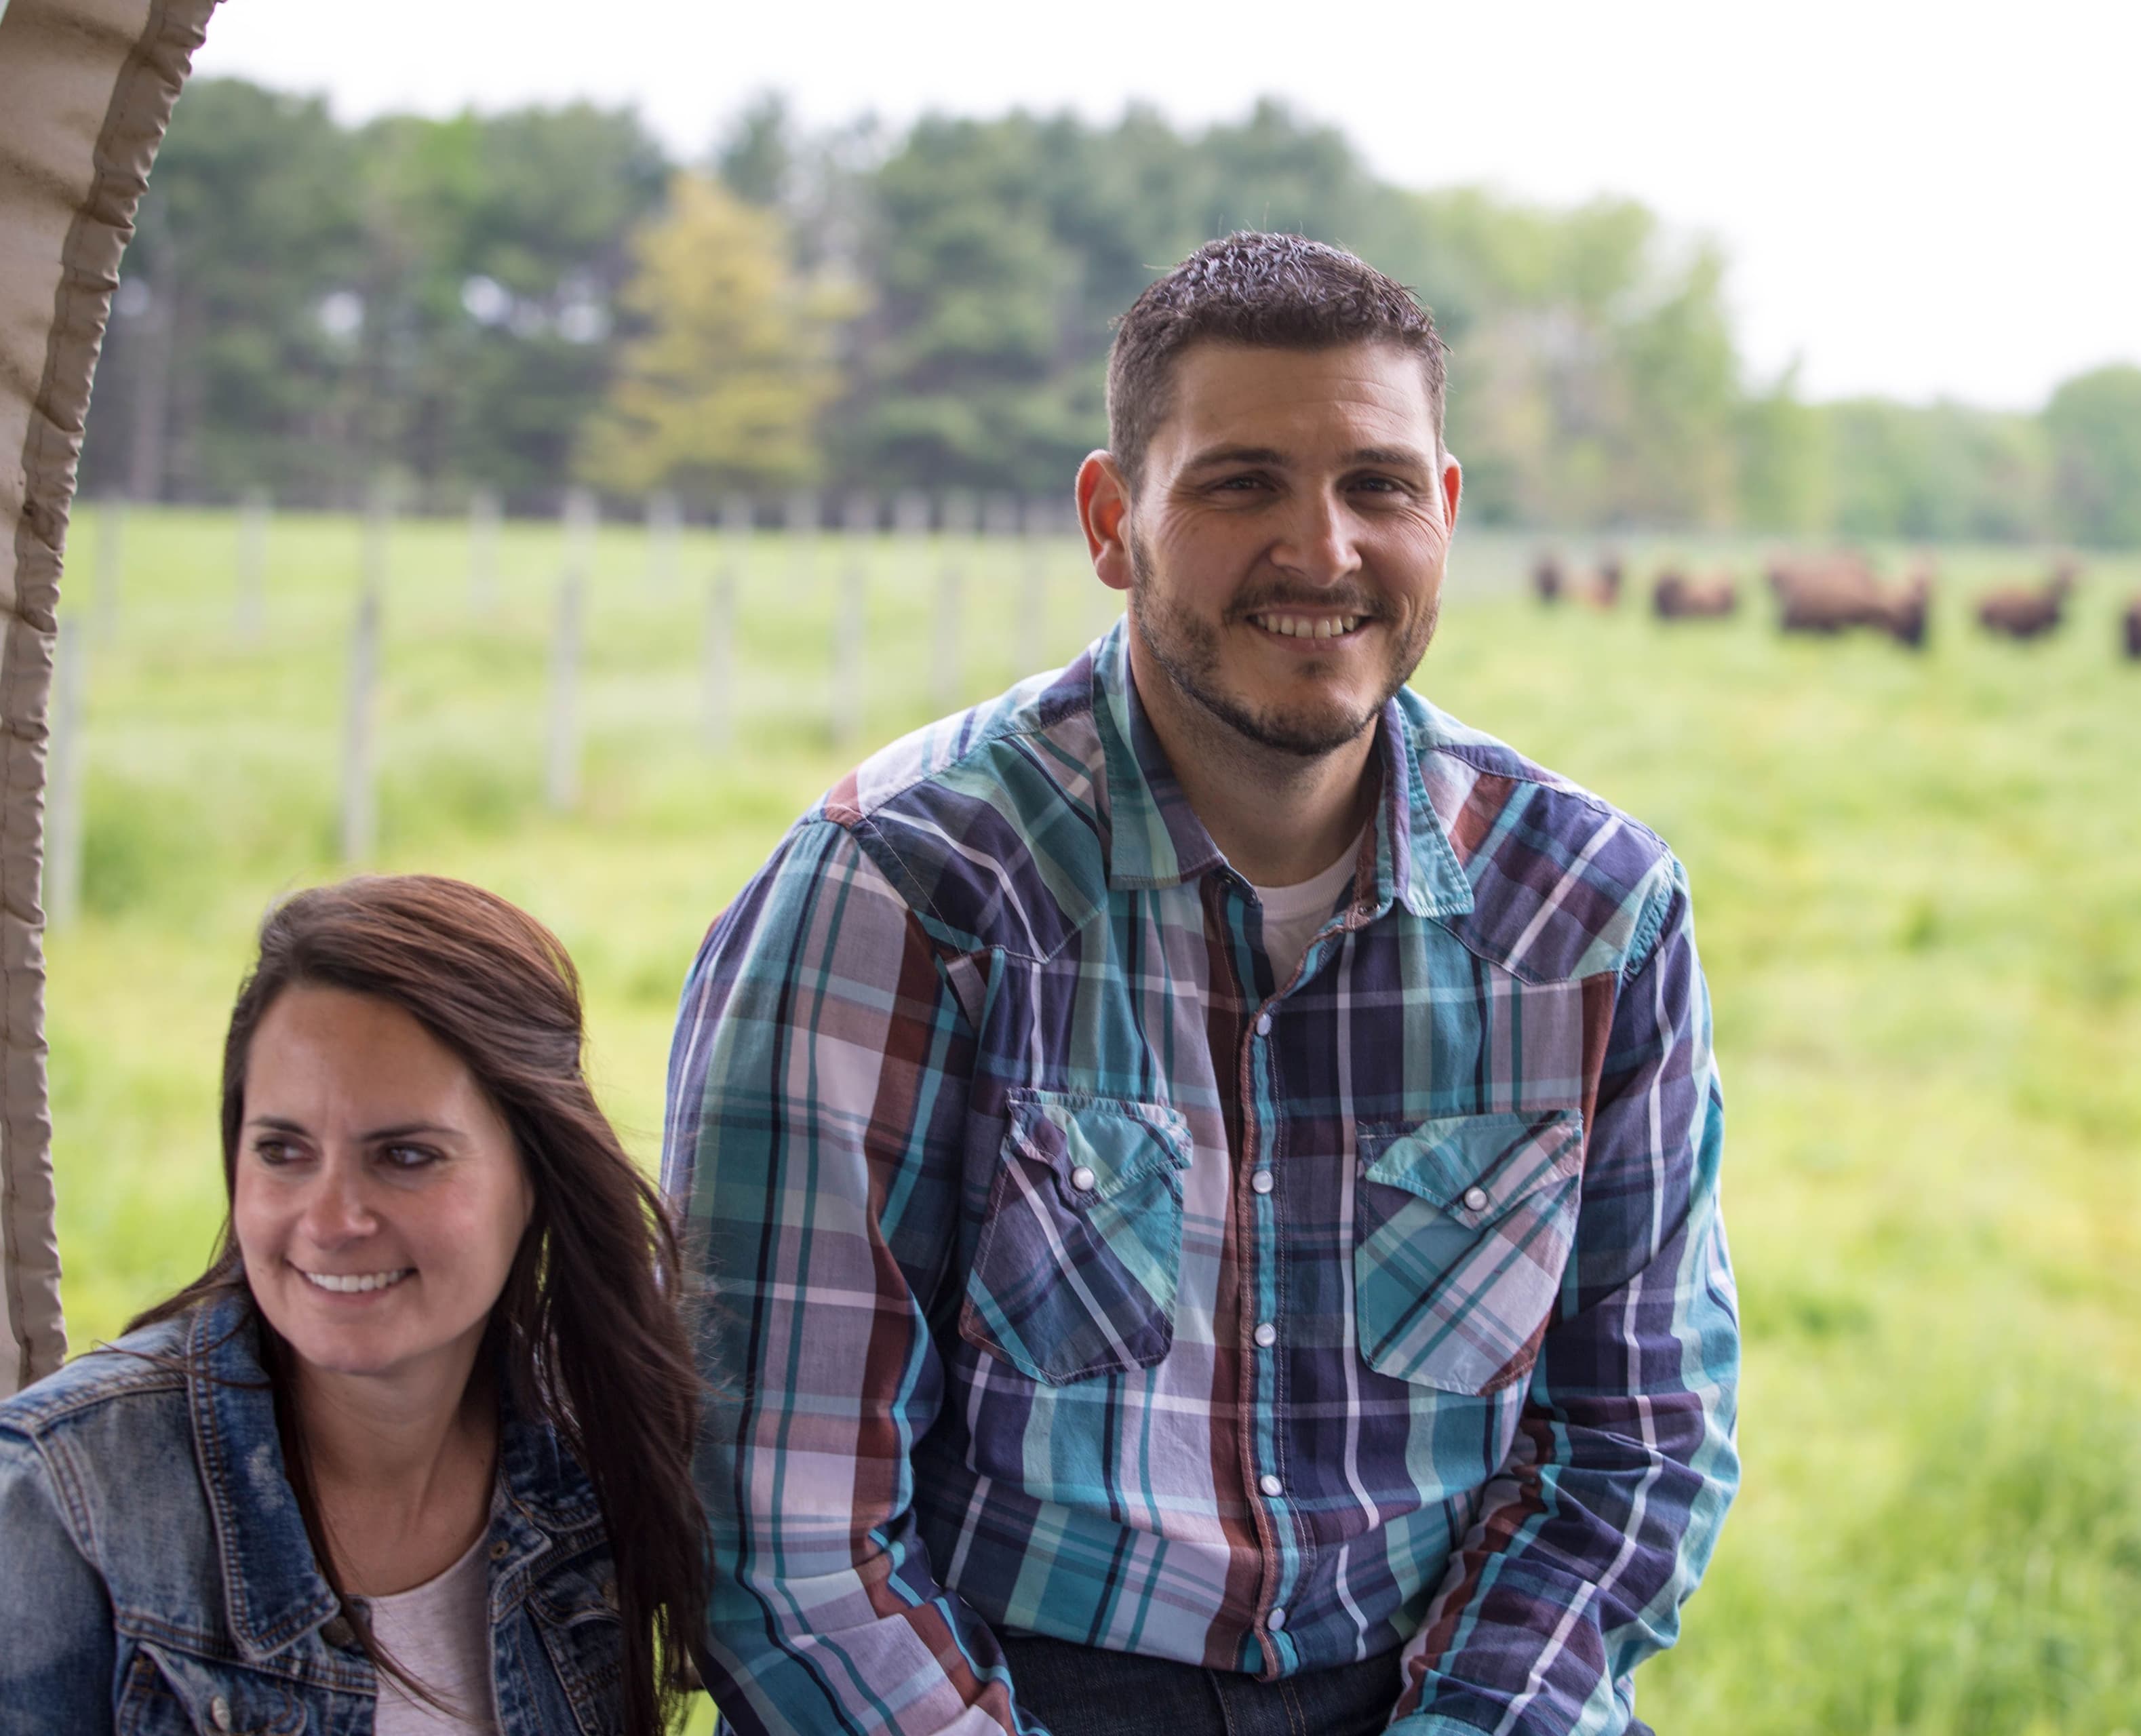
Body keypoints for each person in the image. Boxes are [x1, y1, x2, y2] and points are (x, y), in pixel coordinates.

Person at [667, 232, 1740, 1736]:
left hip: (1449, 1682)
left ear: (1444, 511)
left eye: (1377, 484)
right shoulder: (901, 892)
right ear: (1115, 522)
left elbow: (1635, 1449)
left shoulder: (1592, 912)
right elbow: (777, 1528)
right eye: (1241, 483)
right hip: (1007, 1681)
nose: (1322, 548)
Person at [0, 876, 709, 1735]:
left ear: (534, 1176)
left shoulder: (600, 1455)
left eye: (405, 1155)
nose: (332, 1220)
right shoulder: (60, 1501)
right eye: (284, 1150)